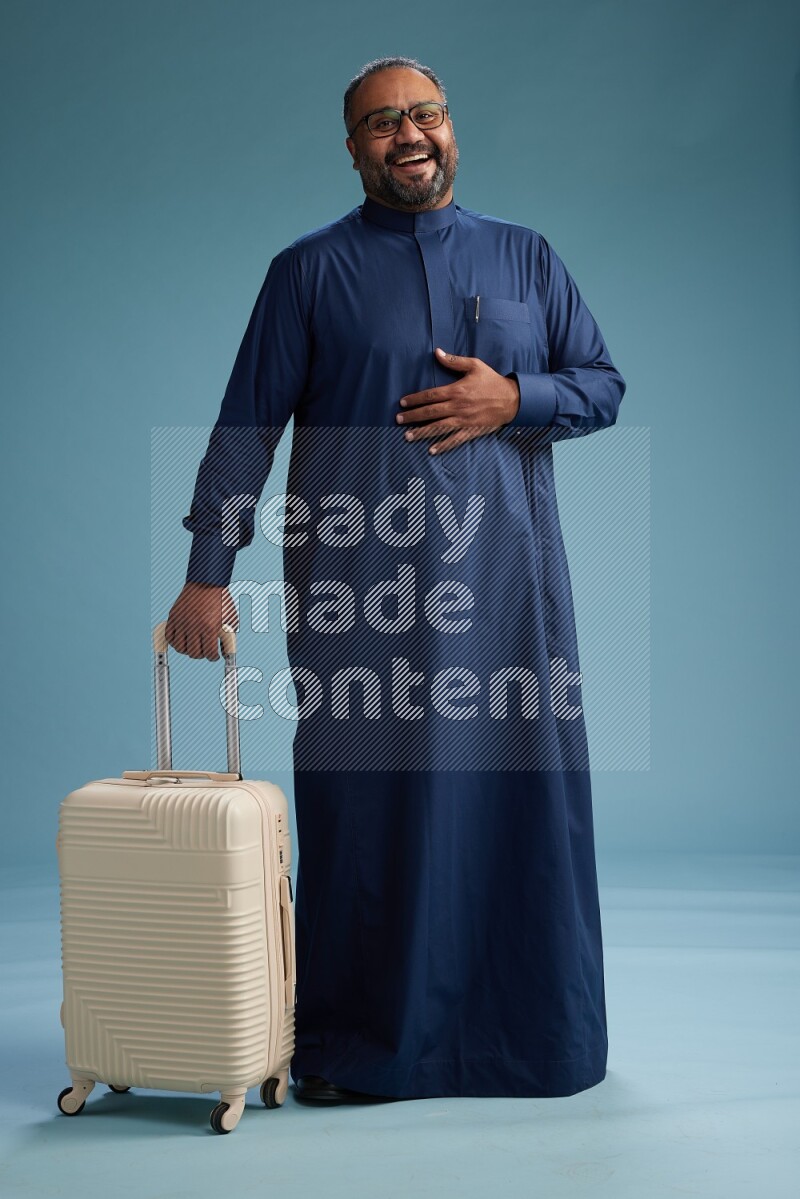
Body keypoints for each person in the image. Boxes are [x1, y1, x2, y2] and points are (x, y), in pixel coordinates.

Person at [166, 55, 626, 1103]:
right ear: (352, 148)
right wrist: (206, 574)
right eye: (382, 122)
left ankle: (532, 1040)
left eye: (424, 114)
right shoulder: (307, 272)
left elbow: (600, 383)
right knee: (368, 810)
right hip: (361, 590)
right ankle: (363, 1046)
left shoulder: (526, 256)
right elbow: (246, 428)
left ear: (451, 127)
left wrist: (517, 397)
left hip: (509, 594)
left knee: (516, 803)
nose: (407, 134)